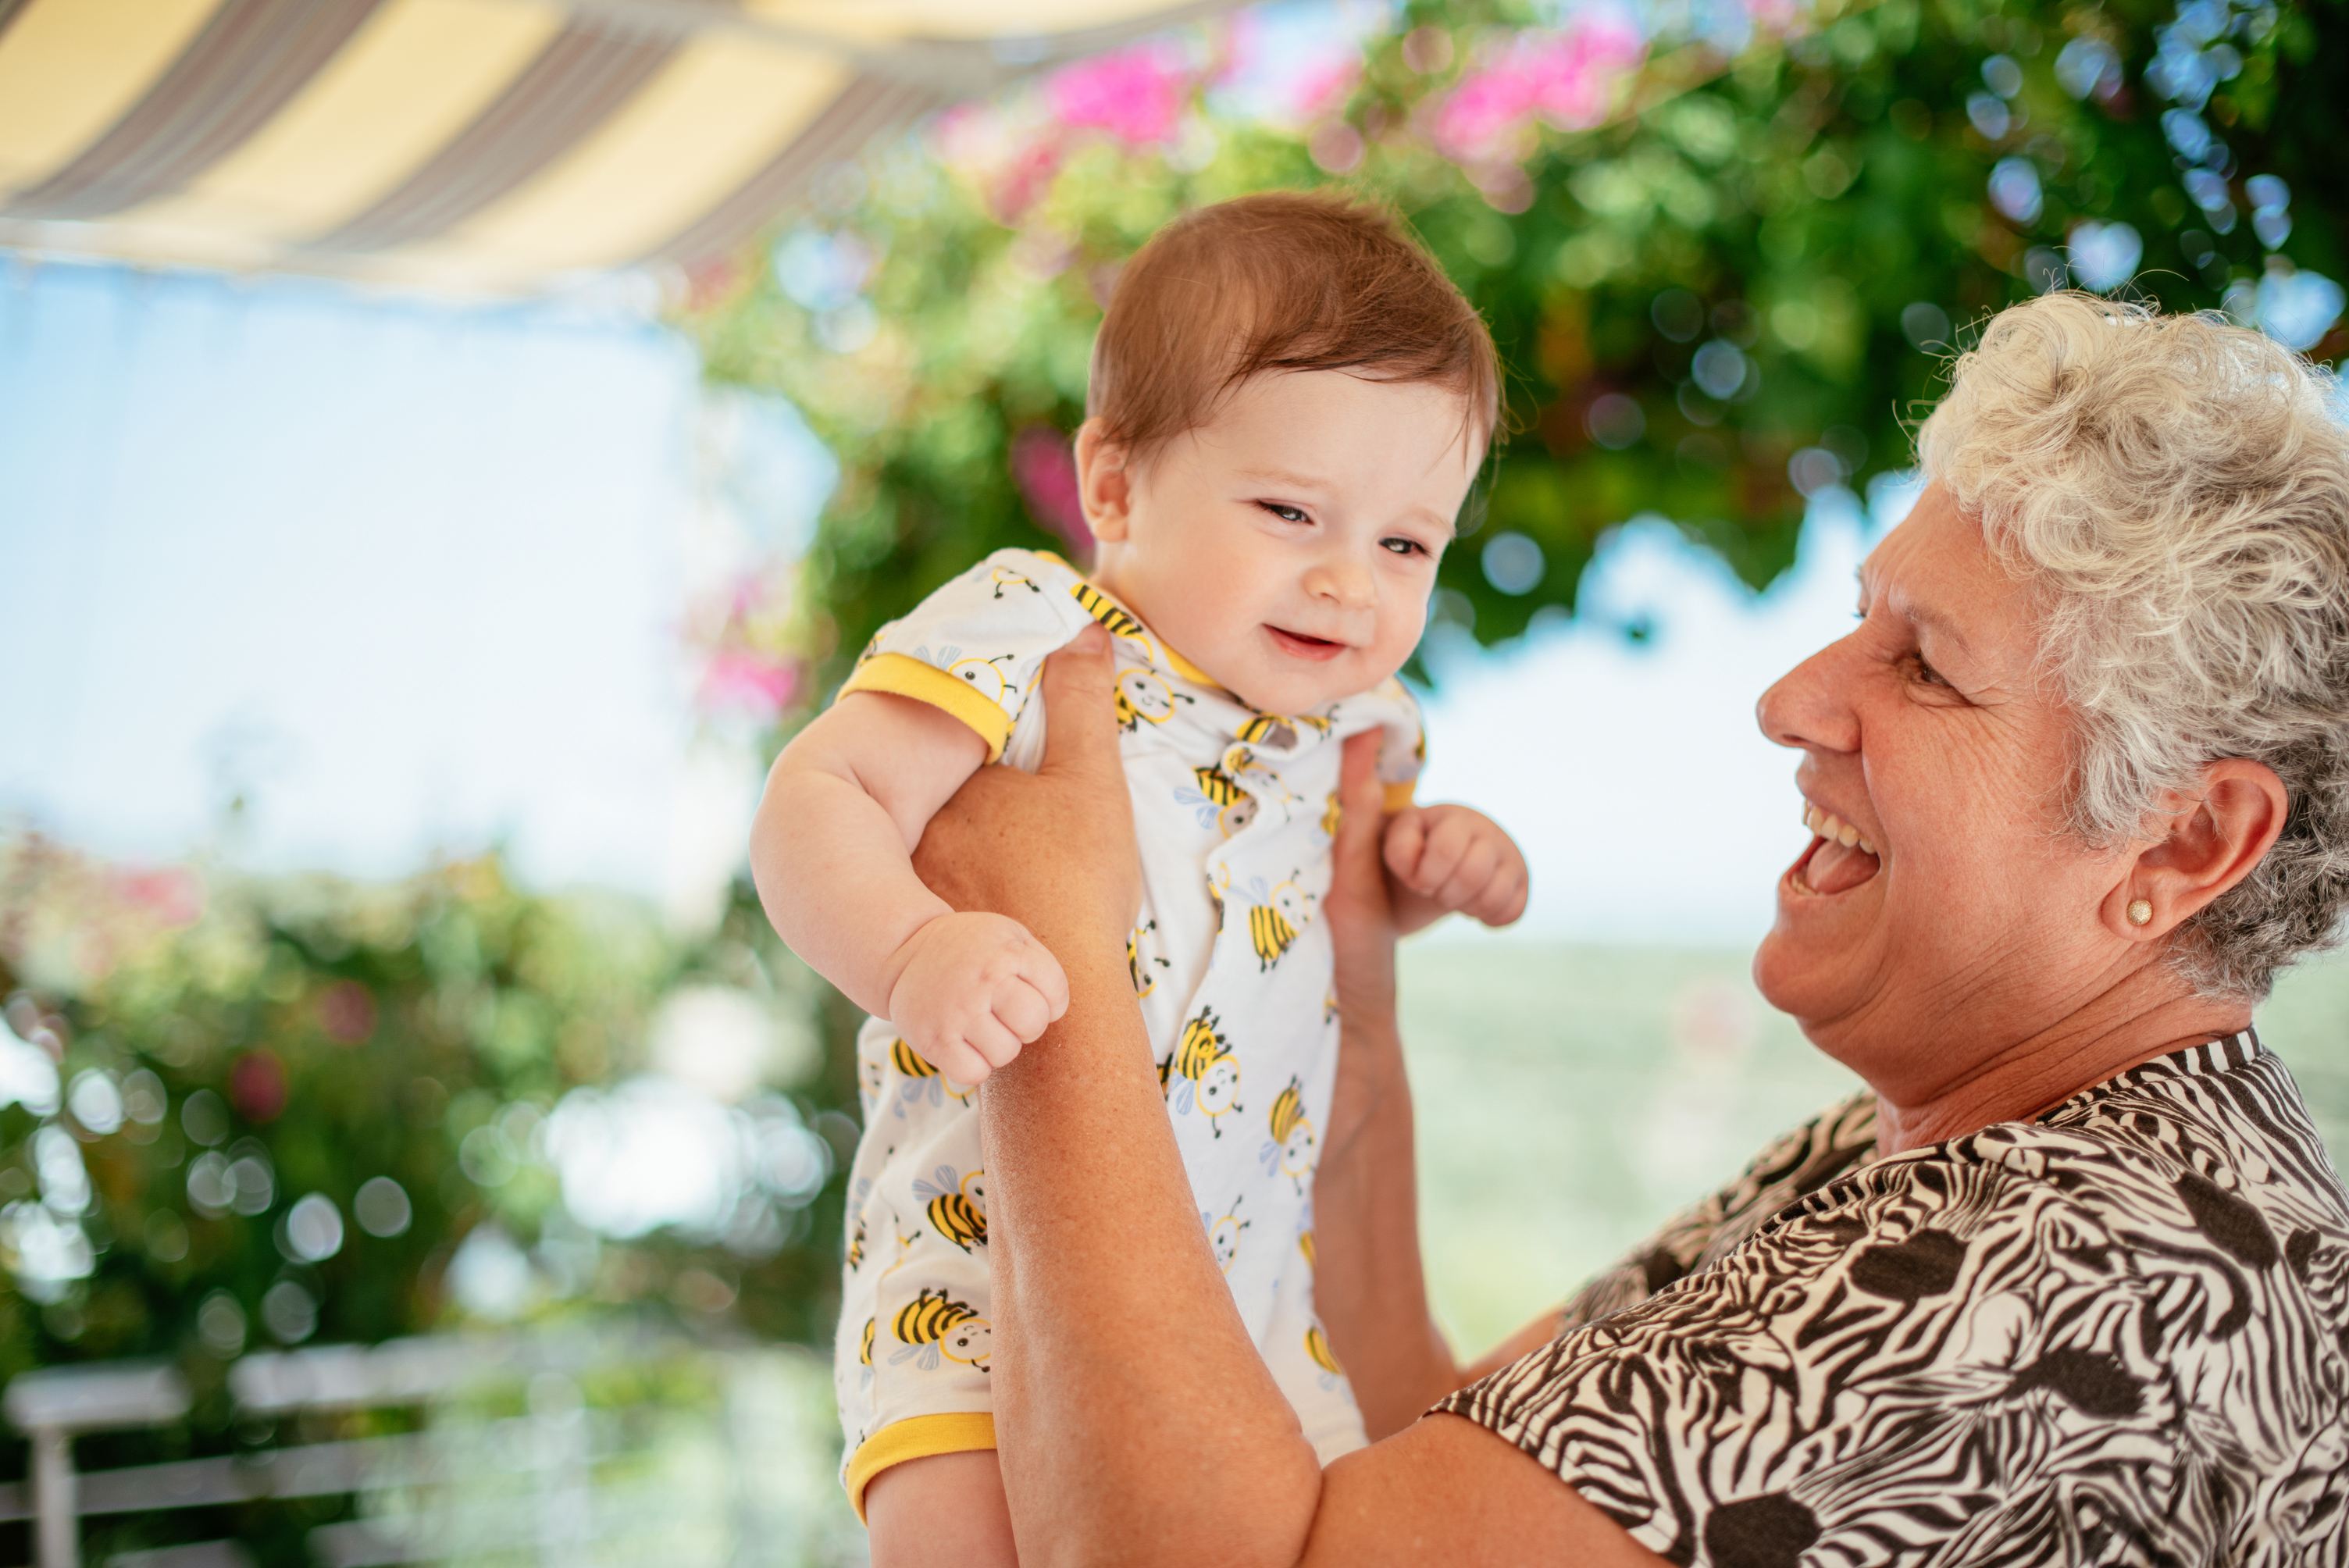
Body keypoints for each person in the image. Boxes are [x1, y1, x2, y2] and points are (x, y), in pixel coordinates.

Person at [904, 292, 2349, 1564]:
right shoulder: (1937, 1146)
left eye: (1924, 668)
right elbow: (1431, 1456)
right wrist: (1342, 997)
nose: (1791, 696)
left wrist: (1057, 975)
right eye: (1859, 617)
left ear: (2187, 838)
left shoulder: (2084, 1279)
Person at [747, 191, 1530, 1555]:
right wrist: (910, 952)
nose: (1352, 585)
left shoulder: (1357, 730)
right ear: (1114, 487)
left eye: (1406, 542)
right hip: (974, 1286)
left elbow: (1338, 912)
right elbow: (820, 797)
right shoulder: (1034, 633)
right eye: (1293, 512)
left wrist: (1424, 864)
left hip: (1257, 1315)